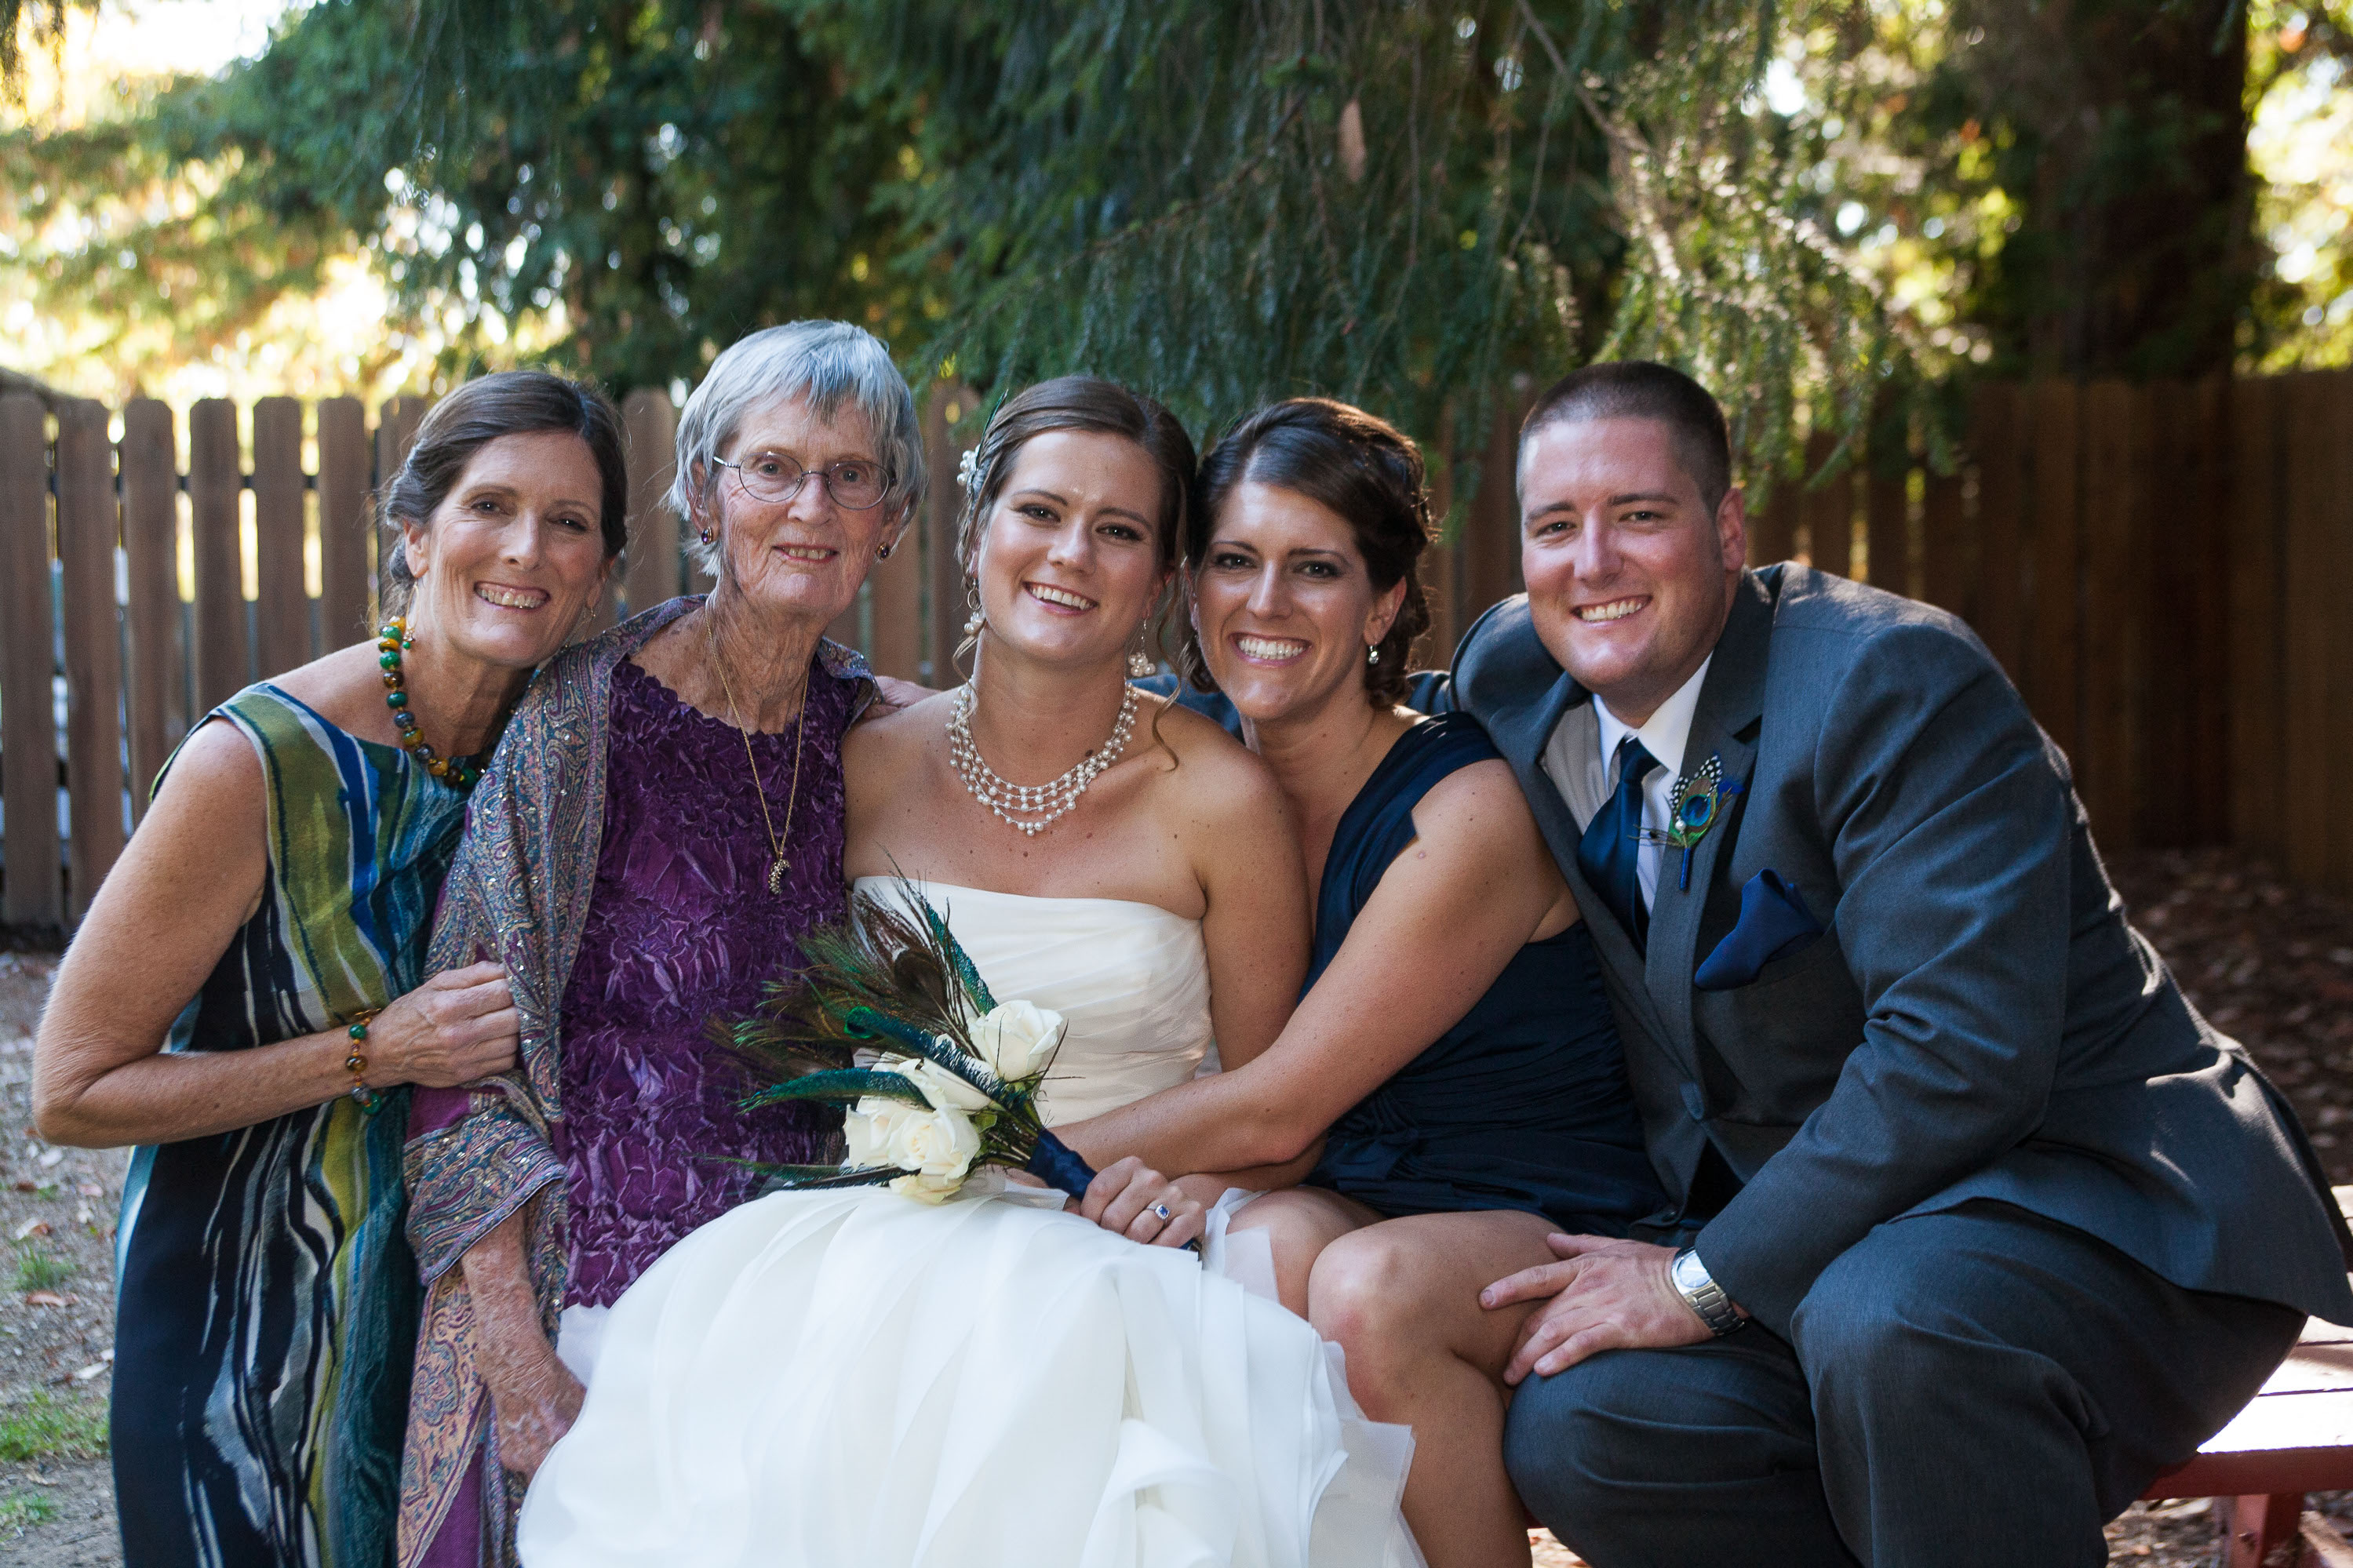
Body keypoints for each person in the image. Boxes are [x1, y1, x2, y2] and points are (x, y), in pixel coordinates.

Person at [1438, 360, 2353, 1567]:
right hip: (1819, 1249)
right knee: (1590, 1424)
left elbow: (1961, 1060)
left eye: (1640, 515)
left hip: (2101, 1209)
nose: (1591, 561)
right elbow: (1334, 741)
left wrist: (1703, 1281)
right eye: (1555, 527)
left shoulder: (1890, 683)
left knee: (1903, 1326)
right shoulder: (1518, 679)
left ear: (1727, 528)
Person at [508, 376, 1422, 1568]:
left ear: (1161, 578)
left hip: (1114, 1255)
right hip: (861, 1255)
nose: (1072, 555)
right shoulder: (866, 759)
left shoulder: (1220, 801)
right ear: (977, 531)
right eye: (1040, 512)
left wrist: (1167, 1184)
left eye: (1122, 531)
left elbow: (1276, 1112)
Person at [389, 322, 964, 1566]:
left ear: (894, 520)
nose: (813, 506)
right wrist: (518, 1363)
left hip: (809, 1323)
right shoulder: (583, 724)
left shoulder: (879, 738)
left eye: (853, 476)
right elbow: (459, 1070)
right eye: (774, 468)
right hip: (588, 1314)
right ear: (705, 492)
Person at [32, 370, 625, 1568]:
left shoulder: (566, 758)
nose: (528, 549)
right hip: (248, 1332)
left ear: (603, 567)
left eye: (569, 523)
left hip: (458, 1327)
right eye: (490, 507)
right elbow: (73, 1087)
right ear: (413, 534)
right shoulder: (260, 765)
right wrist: (375, 1051)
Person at [1061, 396, 1664, 1568]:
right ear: (1193, 588)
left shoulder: (1465, 811)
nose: (1266, 603)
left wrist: (1009, 1153)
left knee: (1367, 1289)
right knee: (1262, 1250)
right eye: (1235, 560)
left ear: (1384, 602)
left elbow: (1281, 1100)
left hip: (1534, 1203)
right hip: (1347, 1181)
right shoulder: (1179, 760)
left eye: (1316, 569)